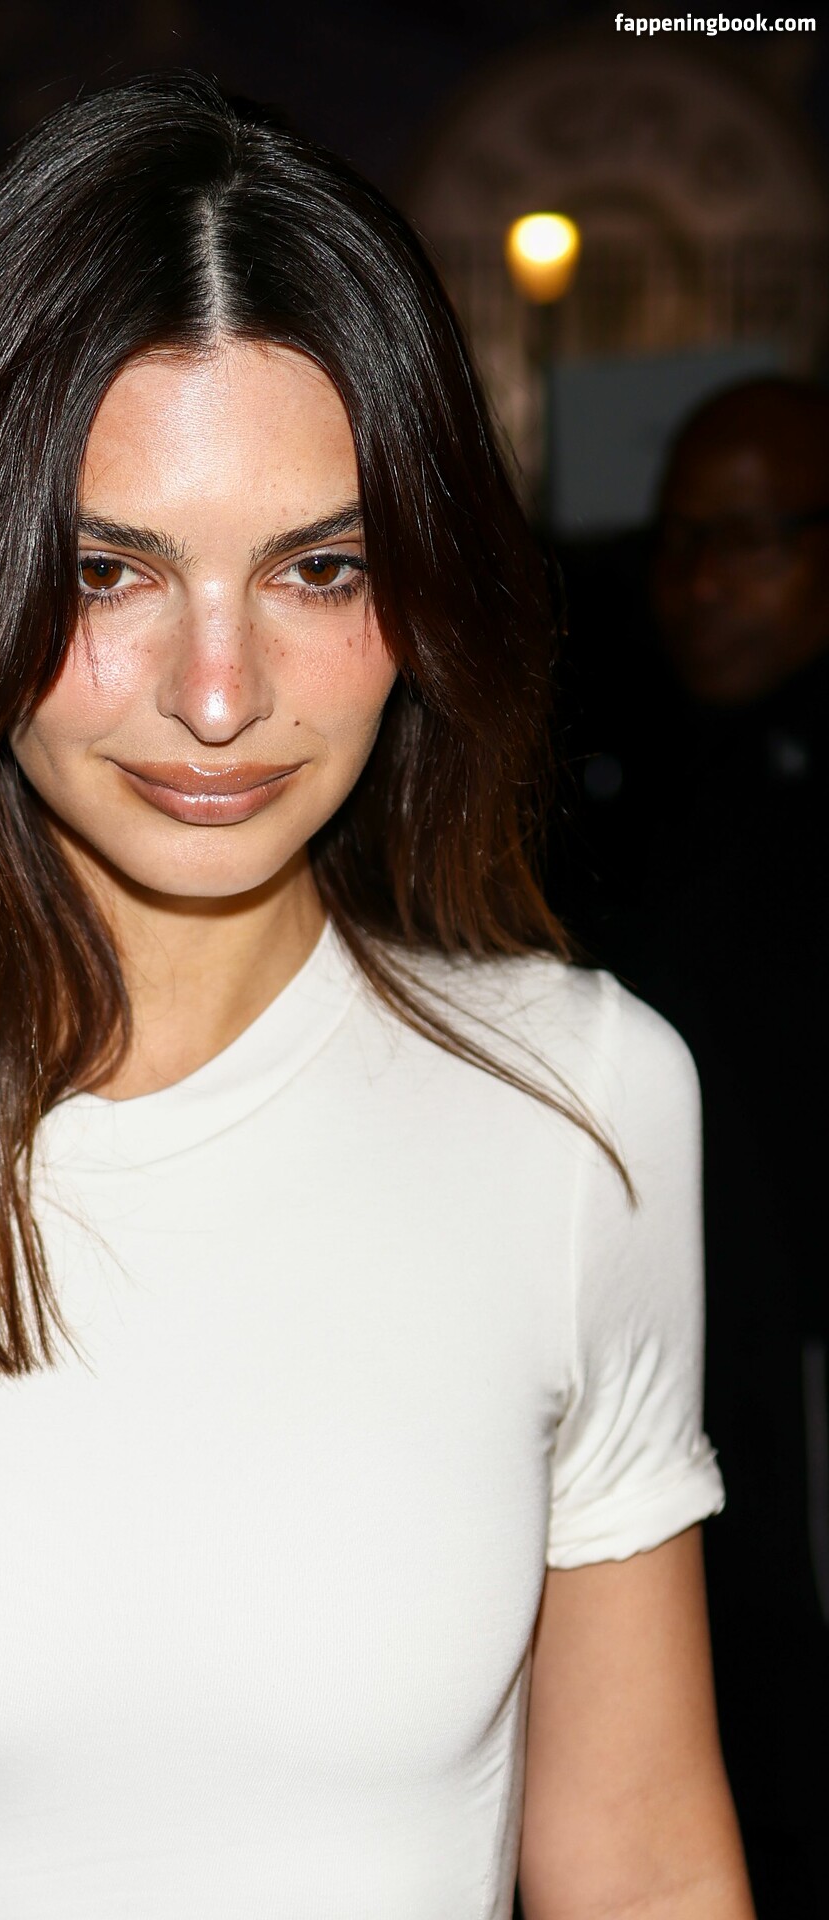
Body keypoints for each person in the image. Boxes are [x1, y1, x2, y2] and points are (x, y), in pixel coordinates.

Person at [0, 77, 753, 1920]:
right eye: (107, 571)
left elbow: (643, 1862)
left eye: (321, 568)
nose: (218, 693)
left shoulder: (582, 1106)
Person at [552, 378, 829, 1916]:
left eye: (748, 538)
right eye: (677, 543)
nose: (702, 583)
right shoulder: (652, 771)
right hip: (693, 1391)